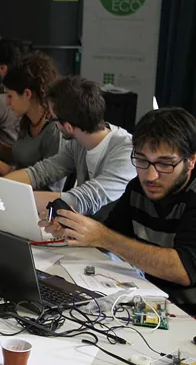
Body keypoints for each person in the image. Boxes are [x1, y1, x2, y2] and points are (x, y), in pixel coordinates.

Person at [43, 108, 196, 315]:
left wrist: (103, 237)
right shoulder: (138, 189)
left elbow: (183, 270)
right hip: (155, 306)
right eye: (142, 160)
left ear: (191, 160)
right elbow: (112, 236)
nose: (151, 176)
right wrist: (75, 229)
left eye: (165, 164)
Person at [3, 76, 135, 215]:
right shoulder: (78, 143)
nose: (51, 122)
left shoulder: (126, 153)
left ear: (68, 127)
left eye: (52, 118)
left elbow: (81, 200)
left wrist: (16, 198)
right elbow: (41, 172)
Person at [0, 52, 64, 190]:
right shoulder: (28, 120)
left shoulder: (55, 132)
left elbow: (50, 192)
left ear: (27, 94)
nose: (7, 103)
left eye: (10, 96)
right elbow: (23, 156)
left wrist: (4, 169)